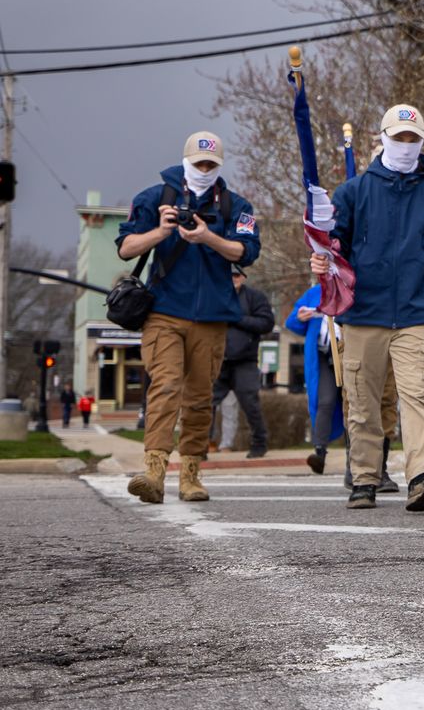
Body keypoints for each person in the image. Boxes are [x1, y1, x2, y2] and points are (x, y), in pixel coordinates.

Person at [313, 104, 424, 512]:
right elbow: (336, 247)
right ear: (382, 138)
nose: (405, 145)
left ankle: (422, 475)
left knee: (417, 395)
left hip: (417, 313)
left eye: (412, 139)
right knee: (363, 401)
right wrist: (322, 260)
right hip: (363, 313)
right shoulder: (353, 192)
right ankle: (364, 478)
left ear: (422, 143)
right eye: (398, 137)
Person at [116, 131, 261, 503]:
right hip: (164, 312)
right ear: (185, 161)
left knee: (199, 398)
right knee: (165, 386)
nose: (205, 169)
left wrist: (207, 236)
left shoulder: (235, 206)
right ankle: (153, 471)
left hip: (212, 317)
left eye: (211, 164)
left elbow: (246, 253)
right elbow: (126, 248)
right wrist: (161, 230)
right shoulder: (155, 198)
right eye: (199, 163)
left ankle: (191, 474)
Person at [209, 267, 275, 459]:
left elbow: (266, 324)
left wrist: (237, 318)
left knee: (250, 404)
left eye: (236, 275)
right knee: (206, 403)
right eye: (228, 275)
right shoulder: (214, 296)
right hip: (218, 359)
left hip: (245, 360)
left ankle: (259, 444)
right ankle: (199, 446)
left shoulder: (255, 297)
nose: (232, 279)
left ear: (243, 277)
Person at [285, 284, 345, 475]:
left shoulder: (352, 287)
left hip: (349, 354)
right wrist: (299, 317)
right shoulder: (314, 293)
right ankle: (320, 453)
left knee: (355, 404)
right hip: (323, 356)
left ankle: (357, 456)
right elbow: (292, 322)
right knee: (324, 402)